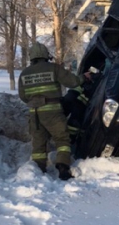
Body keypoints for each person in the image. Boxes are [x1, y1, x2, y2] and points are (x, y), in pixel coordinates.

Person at [18, 42, 89, 180]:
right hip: (53, 112)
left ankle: (38, 171)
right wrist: (84, 78)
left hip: (34, 114)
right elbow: (72, 82)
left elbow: (23, 96)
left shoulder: (24, 73)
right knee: (62, 139)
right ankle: (63, 168)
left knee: (38, 144)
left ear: (31, 56)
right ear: (45, 55)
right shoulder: (53, 68)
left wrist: (35, 102)